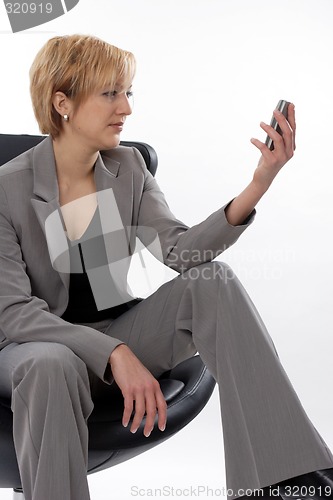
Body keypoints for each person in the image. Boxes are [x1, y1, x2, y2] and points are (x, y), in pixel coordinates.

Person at [0, 34, 332, 500]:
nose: (126, 108)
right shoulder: (7, 188)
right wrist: (113, 354)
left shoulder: (128, 167)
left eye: (127, 92)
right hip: (32, 348)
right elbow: (14, 312)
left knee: (212, 282)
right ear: (63, 103)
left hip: (117, 328)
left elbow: (181, 252)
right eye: (110, 93)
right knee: (52, 364)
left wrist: (259, 183)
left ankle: (282, 481)